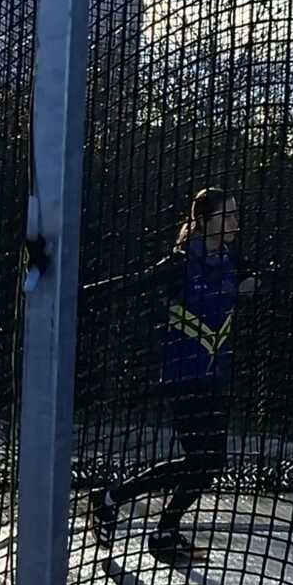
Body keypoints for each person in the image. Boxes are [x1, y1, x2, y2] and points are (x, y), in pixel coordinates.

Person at [85, 188, 256, 564]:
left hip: (215, 376)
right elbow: (134, 284)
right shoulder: (180, 264)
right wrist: (78, 295)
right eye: (226, 216)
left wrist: (254, 284)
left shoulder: (232, 261)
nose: (234, 223)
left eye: (235, 215)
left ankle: (155, 525)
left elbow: (257, 280)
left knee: (206, 465)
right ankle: (115, 500)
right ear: (203, 222)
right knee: (203, 461)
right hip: (184, 377)